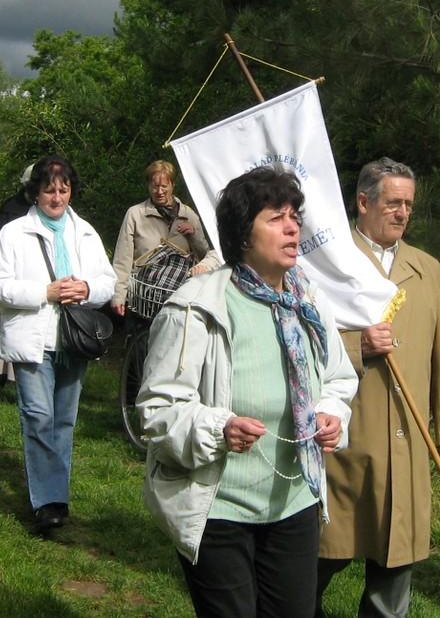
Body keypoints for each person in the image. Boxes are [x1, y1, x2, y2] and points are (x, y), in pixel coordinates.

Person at [138, 166, 358, 618]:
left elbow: (338, 377)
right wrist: (220, 429)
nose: (293, 226)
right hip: (218, 508)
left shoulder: (308, 304)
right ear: (242, 234)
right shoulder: (196, 306)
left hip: (295, 500)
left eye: (294, 215)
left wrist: (332, 412)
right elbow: (157, 409)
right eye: (275, 217)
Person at [317, 157, 440, 618]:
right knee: (325, 553)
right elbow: (297, 340)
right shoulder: (327, 262)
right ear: (364, 202)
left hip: (408, 437)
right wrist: (356, 344)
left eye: (409, 205)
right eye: (393, 203)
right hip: (345, 437)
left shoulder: (427, 269)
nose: (402, 213)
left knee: (396, 558)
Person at [0, 154, 115, 535]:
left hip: (74, 339)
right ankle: (49, 502)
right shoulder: (13, 233)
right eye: (49, 190)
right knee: (39, 417)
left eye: (64, 189)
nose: (57, 197)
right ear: (35, 193)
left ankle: (54, 492)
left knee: (64, 420)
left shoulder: (86, 233)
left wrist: (86, 288)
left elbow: (107, 281)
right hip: (32, 339)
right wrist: (45, 292)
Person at [110, 159, 219, 317]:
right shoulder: (135, 214)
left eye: (164, 186)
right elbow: (122, 259)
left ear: (172, 185)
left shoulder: (188, 215)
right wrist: (118, 296)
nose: (159, 191)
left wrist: (193, 234)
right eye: (155, 186)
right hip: (143, 299)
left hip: (179, 298)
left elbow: (204, 256)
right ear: (148, 186)